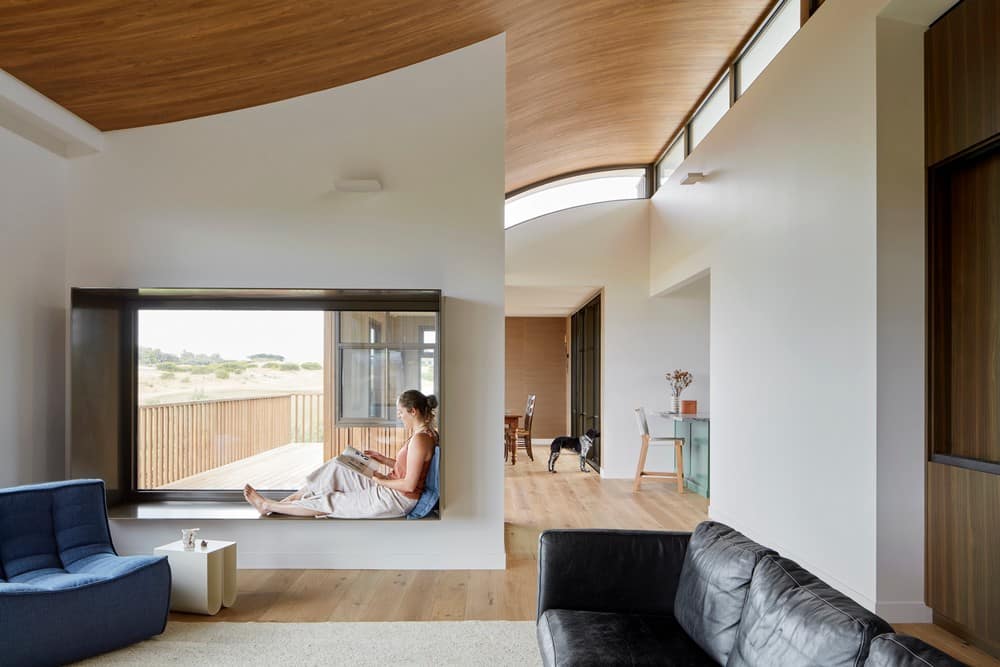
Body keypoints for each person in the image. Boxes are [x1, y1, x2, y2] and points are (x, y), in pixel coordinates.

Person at [243, 390, 438, 518]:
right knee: (339, 465)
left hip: (395, 498)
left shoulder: (421, 439)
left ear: (412, 411)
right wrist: (384, 460)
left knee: (330, 500)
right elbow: (412, 467)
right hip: (391, 487)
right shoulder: (424, 434)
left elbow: (409, 484)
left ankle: (269, 506)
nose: (399, 417)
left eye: (401, 413)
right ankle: (286, 503)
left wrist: (378, 479)